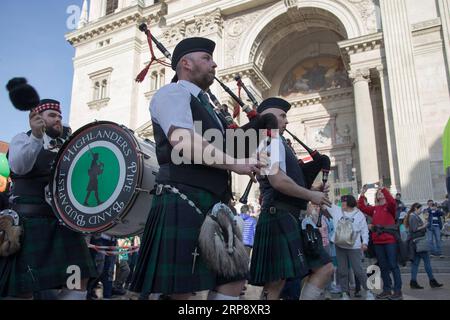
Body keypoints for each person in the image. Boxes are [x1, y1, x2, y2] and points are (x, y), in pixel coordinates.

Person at [129, 37, 264, 300]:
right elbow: (183, 140)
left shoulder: (210, 108)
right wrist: (236, 165)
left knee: (233, 283)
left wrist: (259, 136)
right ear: (185, 64)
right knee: (181, 292)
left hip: (215, 204)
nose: (214, 64)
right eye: (207, 59)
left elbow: (227, 146)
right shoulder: (172, 94)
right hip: (182, 197)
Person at [0, 99, 96, 299]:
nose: (58, 120)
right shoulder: (22, 139)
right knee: (23, 286)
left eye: (60, 116)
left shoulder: (68, 148)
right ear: (37, 118)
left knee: (78, 277)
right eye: (52, 116)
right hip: (31, 222)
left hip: (64, 223)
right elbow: (19, 167)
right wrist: (36, 137)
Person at [248, 97, 333, 300]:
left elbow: (286, 179)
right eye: (282, 116)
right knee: (276, 283)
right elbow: (277, 181)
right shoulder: (269, 140)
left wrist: (312, 189)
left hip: (290, 217)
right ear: (268, 118)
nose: (287, 121)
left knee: (324, 268)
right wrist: (311, 195)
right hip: (277, 215)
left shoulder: (280, 143)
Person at [322, 195, 374, 300]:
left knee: (358, 270)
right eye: (341, 202)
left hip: (354, 247)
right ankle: (345, 293)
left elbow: (364, 231)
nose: (342, 204)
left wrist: (365, 243)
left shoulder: (359, 215)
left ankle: (369, 291)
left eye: (344, 202)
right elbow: (326, 202)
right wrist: (321, 192)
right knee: (342, 271)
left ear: (350, 202)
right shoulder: (337, 210)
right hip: (339, 245)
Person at [357, 184, 402, 300]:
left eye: (381, 193)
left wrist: (383, 188)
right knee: (383, 266)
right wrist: (362, 193)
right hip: (378, 242)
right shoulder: (375, 209)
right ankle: (387, 290)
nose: (380, 194)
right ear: (376, 197)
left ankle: (398, 291)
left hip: (389, 240)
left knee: (393, 265)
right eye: (378, 193)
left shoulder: (390, 207)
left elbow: (392, 202)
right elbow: (362, 207)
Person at [404, 203, 443, 289]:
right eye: (420, 209)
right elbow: (414, 229)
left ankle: (413, 282)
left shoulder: (413, 216)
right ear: (415, 208)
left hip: (416, 243)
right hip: (419, 242)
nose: (421, 211)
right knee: (427, 262)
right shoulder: (413, 217)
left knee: (416, 263)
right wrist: (424, 225)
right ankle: (432, 281)